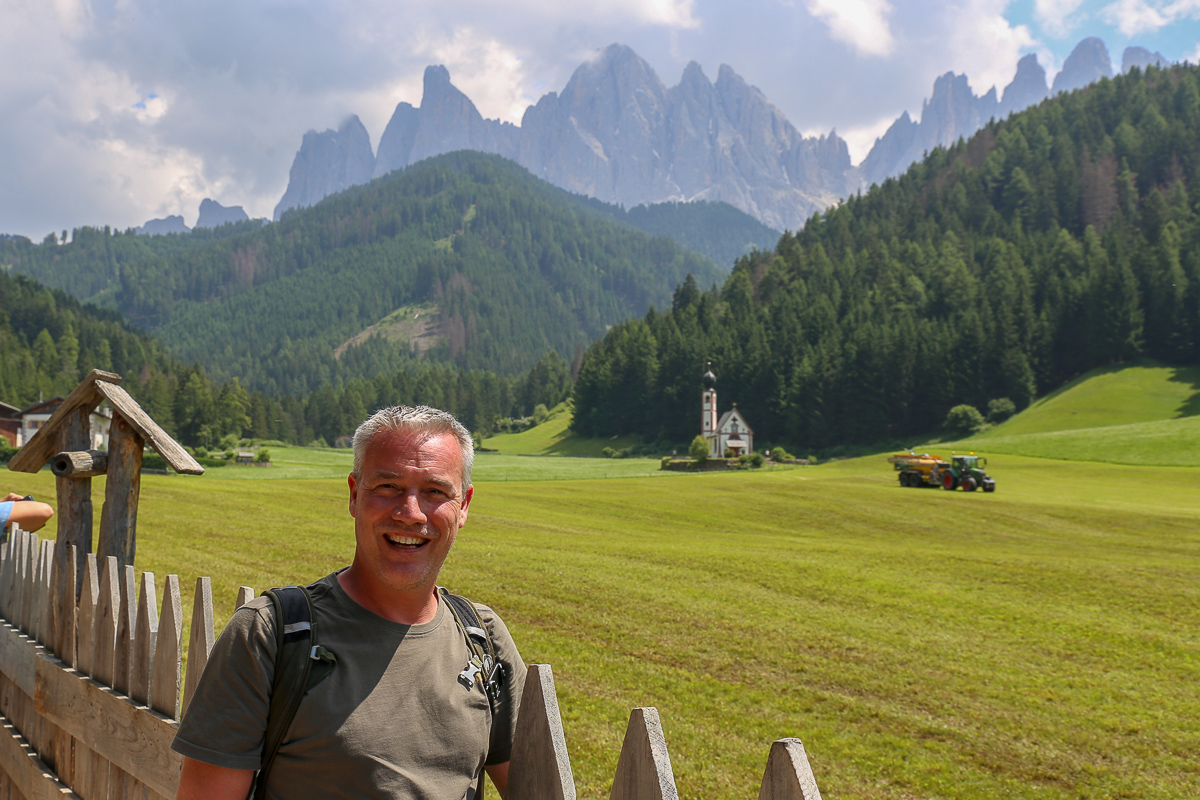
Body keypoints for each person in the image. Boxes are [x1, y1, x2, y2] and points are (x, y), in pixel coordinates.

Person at [172, 406, 527, 800]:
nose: (410, 513)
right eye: (388, 487)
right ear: (355, 495)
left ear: (463, 506)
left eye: (435, 492)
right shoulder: (269, 636)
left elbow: (535, 786)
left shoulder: (483, 639)